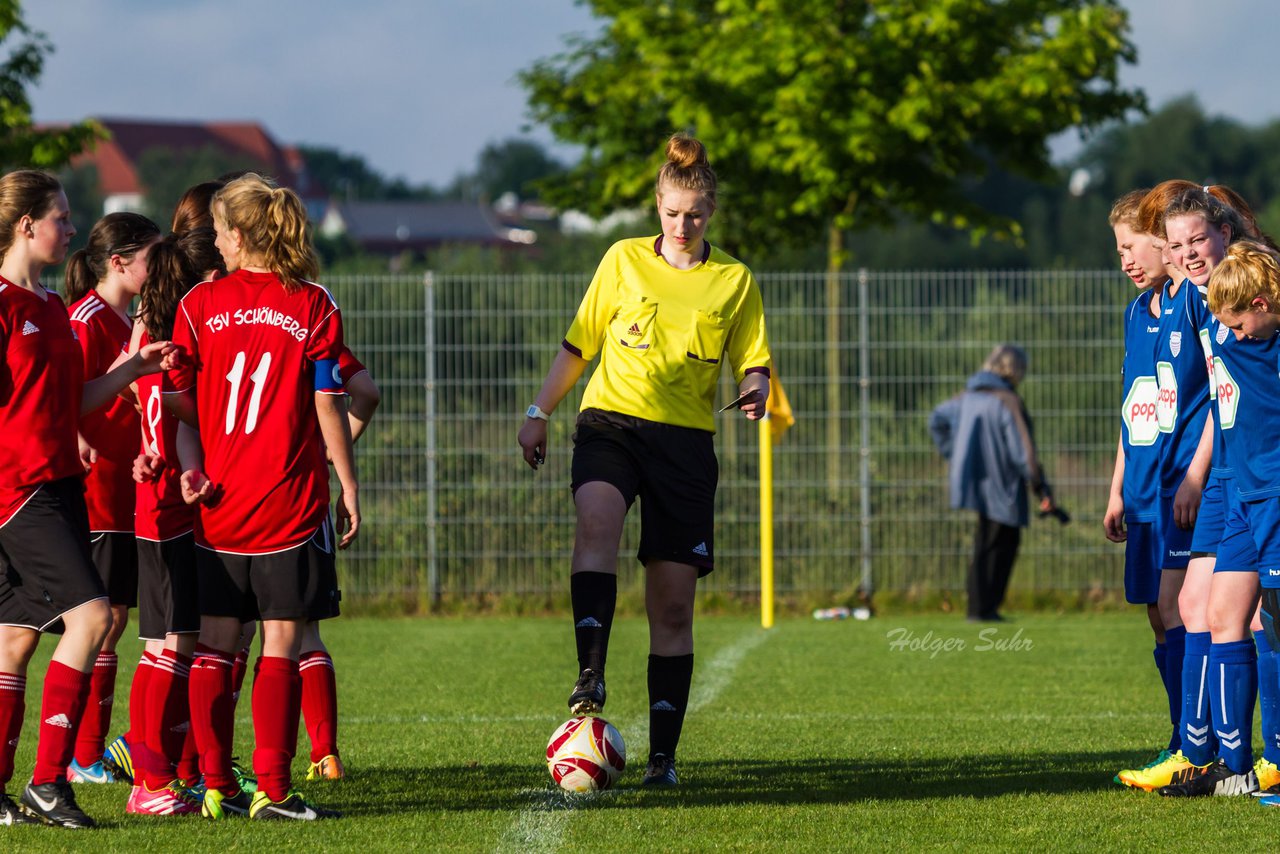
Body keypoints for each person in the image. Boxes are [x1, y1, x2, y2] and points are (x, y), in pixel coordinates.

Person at [516, 134, 771, 787]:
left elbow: (755, 362)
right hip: (611, 424)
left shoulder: (734, 281)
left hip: (685, 444)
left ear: (710, 213)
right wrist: (539, 414)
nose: (682, 226)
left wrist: (757, 390)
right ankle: (590, 672)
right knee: (596, 519)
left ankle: (663, 759)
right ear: (657, 205)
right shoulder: (622, 261)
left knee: (673, 605)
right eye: (672, 212)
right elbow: (578, 346)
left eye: (695, 215)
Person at [165, 173, 357, 821]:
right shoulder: (312, 304)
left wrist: (193, 467)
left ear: (241, 235)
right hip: (289, 502)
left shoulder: (197, 306)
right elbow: (331, 401)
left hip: (220, 505)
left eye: (219, 230)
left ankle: (215, 785)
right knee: (280, 641)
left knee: (216, 645)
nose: (213, 241)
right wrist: (348, 484)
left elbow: (180, 404)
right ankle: (274, 789)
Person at [0, 170, 175, 828]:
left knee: (14, 640)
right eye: (60, 218)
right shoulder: (4, 306)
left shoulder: (46, 307)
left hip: (58, 488)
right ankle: (51, 781)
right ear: (26, 226)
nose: (71, 230)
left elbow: (73, 405)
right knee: (94, 619)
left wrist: (134, 368)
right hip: (18, 494)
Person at [61, 212, 161, 786]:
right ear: (119, 261)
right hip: (97, 492)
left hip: (130, 486)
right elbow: (63, 394)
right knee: (102, 620)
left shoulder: (129, 318)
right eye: (152, 255)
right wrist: (77, 436)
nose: (160, 265)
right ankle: (81, 755)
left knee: (116, 618)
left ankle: (86, 755)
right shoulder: (87, 318)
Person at [1102, 189, 1181, 788]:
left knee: (1189, 609)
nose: (1126, 259)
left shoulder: (1193, 305)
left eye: (1131, 246)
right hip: (1143, 490)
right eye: (1119, 250)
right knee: (1157, 613)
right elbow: (1134, 408)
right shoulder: (1137, 313)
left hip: (1182, 485)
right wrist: (1116, 490)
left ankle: (1200, 743)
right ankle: (1183, 735)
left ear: (1162, 239)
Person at [928, 344, 1056, 622]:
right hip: (1003, 484)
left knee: (983, 541)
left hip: (972, 481)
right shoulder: (1007, 400)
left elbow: (936, 420)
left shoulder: (966, 396)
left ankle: (978, 607)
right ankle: (985, 609)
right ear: (1014, 369)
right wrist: (1040, 486)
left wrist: (955, 453)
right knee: (1003, 542)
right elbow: (1024, 452)